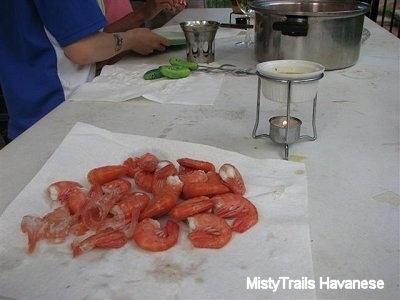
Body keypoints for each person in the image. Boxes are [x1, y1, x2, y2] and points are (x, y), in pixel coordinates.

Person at [0, 0, 173, 140]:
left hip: (26, 114)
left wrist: (140, 19)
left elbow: (79, 34)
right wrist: (132, 40)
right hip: (61, 110)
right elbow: (83, 49)